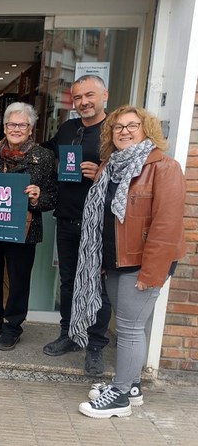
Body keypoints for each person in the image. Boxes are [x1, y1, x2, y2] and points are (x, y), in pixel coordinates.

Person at [72, 106, 185, 418]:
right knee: (129, 326)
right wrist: (100, 258)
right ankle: (132, 386)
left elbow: (167, 226)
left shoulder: (164, 167)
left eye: (132, 125)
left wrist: (151, 273)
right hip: (114, 260)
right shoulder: (111, 166)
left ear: (147, 130)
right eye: (118, 127)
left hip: (143, 263)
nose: (124, 131)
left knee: (130, 328)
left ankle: (119, 397)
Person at [41, 74, 112, 377]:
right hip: (67, 217)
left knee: (98, 285)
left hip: (99, 223)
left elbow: (130, 177)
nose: (83, 102)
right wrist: (4, 144)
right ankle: (69, 335)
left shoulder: (115, 131)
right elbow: (45, 150)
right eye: (78, 97)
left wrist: (102, 173)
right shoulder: (68, 129)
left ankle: (95, 346)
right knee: (68, 281)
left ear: (104, 95)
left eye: (89, 95)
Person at [0, 102, 57, 350]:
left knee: (19, 280)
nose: (16, 129)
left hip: (24, 230)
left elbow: (53, 196)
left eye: (22, 125)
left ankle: (13, 327)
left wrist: (37, 197)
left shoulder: (43, 157)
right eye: (11, 124)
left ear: (31, 129)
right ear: (4, 126)